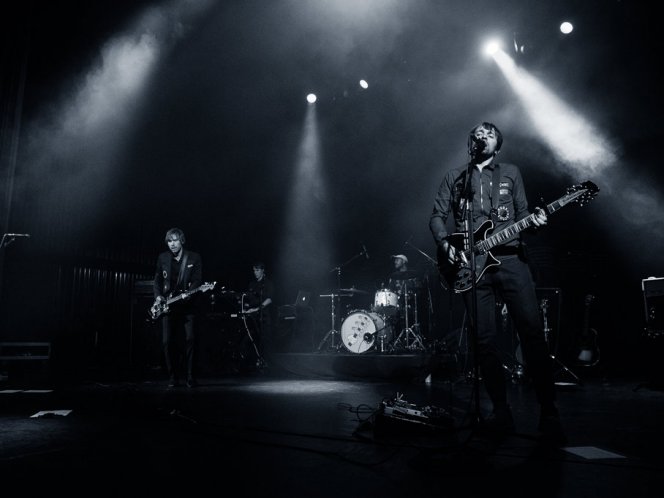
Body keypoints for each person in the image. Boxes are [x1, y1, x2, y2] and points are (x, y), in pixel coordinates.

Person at [429, 121, 565, 444]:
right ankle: (501, 412)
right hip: (471, 267)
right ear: (471, 141)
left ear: (497, 146)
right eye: (478, 132)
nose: (483, 135)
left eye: (490, 133)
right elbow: (436, 216)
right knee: (484, 342)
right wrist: (445, 244)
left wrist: (537, 221)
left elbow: (522, 215)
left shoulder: (511, 173)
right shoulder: (456, 178)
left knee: (531, 334)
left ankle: (549, 413)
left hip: (511, 261)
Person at [152, 228, 202, 388]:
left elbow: (197, 281)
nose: (172, 244)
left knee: (190, 340)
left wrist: (189, 293)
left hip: (187, 305)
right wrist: (158, 297)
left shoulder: (193, 257)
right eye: (169, 241)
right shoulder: (162, 257)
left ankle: (190, 376)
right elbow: (157, 280)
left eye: (175, 240)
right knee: (167, 342)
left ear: (182, 240)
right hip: (167, 305)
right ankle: (173, 377)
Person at [240, 262, 274, 370]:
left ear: (263, 270)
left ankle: (267, 363)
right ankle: (251, 362)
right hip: (252, 316)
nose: (255, 273)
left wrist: (258, 308)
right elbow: (249, 300)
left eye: (257, 270)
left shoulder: (268, 284)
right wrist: (246, 307)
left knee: (265, 340)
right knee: (251, 338)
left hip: (263, 316)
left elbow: (269, 299)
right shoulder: (252, 284)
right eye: (254, 270)